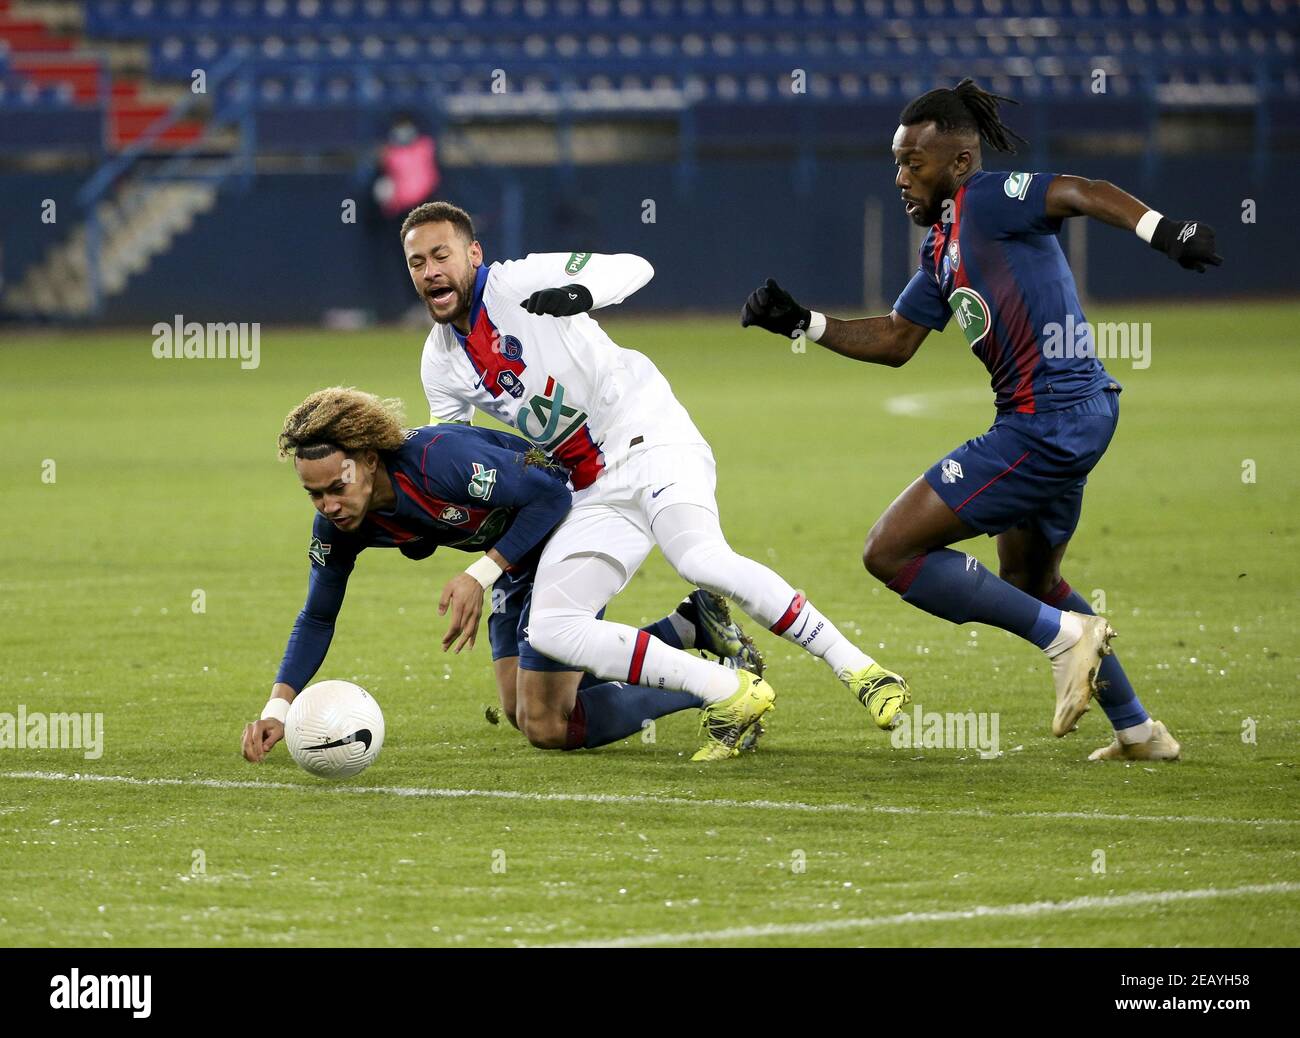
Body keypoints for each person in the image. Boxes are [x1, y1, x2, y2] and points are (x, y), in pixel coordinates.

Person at [740, 79, 1222, 761]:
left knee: (890, 551)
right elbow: (896, 340)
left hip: (1046, 421)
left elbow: (1082, 191)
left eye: (915, 162)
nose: (902, 176)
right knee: (1029, 578)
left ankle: (1064, 638)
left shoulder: (989, 201)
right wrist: (802, 323)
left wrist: (1163, 230)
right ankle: (1139, 731)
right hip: (1065, 419)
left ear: (959, 162)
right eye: (898, 162)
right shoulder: (940, 246)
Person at [402, 201, 911, 762]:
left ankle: (861, 670)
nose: (430, 272)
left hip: (650, 437)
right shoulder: (440, 360)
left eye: (441, 255)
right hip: (589, 487)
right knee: (549, 628)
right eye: (417, 262)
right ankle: (726, 690)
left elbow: (634, 267)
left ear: (473, 254)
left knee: (701, 560)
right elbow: (451, 453)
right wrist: (422, 518)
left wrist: (580, 294)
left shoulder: (515, 281)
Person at [241, 387, 763, 765]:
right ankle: (690, 628)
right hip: (518, 552)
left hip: (571, 522)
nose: (328, 504)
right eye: (315, 494)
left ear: (370, 461)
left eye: (337, 486)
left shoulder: (439, 462)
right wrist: (277, 709)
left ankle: (723, 688)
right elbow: (317, 615)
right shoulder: (340, 527)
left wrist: (480, 572)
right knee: (519, 705)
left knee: (548, 724)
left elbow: (551, 494)